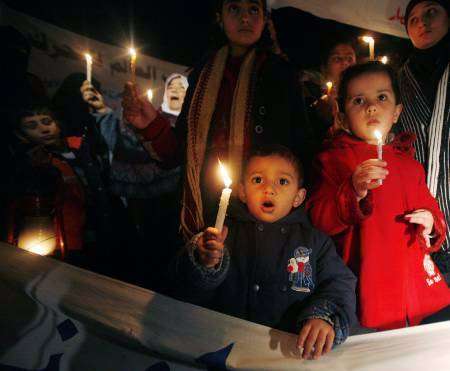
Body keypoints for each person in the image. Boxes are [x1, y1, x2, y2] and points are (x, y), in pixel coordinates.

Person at [123, 0, 313, 240]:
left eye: (253, 9)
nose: (245, 18)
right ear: (219, 18)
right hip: (204, 203)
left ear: (265, 18)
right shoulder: (203, 73)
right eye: (234, 8)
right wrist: (149, 125)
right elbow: (178, 153)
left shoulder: (281, 74)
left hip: (259, 212)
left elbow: (300, 148)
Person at [172, 145, 356, 360]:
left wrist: (323, 317)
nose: (269, 189)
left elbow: (339, 284)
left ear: (298, 197)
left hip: (284, 356)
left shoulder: (315, 242)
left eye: (283, 181)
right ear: (241, 191)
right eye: (258, 180)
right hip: (221, 350)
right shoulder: (220, 235)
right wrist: (205, 263)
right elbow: (182, 287)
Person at [307, 62, 450, 331]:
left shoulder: (410, 165)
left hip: (414, 289)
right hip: (366, 284)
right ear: (342, 117)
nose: (371, 107)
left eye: (381, 97)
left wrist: (431, 223)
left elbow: (433, 213)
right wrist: (352, 190)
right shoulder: (333, 160)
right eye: (358, 100)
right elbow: (319, 219)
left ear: (397, 112)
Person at [397, 0, 450, 279]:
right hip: (419, 211)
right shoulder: (398, 80)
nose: (422, 23)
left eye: (431, 12)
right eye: (413, 19)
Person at [302, 36, 357, 146]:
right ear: (324, 67)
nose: (345, 64)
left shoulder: (361, 97)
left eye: (349, 59)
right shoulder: (309, 93)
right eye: (337, 59)